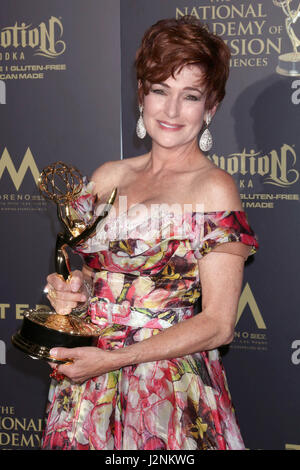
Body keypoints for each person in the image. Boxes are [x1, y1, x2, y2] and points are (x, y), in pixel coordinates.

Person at [41, 16, 259, 450]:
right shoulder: (108, 176)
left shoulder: (214, 187)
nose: (172, 111)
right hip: (86, 381)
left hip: (164, 388)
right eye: (160, 90)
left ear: (209, 108)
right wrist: (71, 287)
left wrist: (115, 360)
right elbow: (86, 270)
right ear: (142, 95)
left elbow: (218, 325)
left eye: (190, 96)